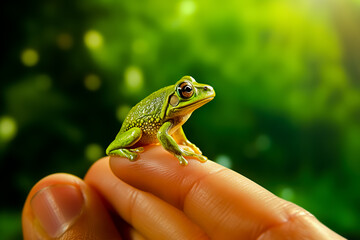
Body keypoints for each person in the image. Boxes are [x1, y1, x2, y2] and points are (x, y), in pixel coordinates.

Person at [22, 145, 346, 239]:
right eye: (187, 91)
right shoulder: (165, 121)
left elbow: (173, 131)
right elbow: (164, 133)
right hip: (131, 139)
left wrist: (182, 145)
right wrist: (178, 153)